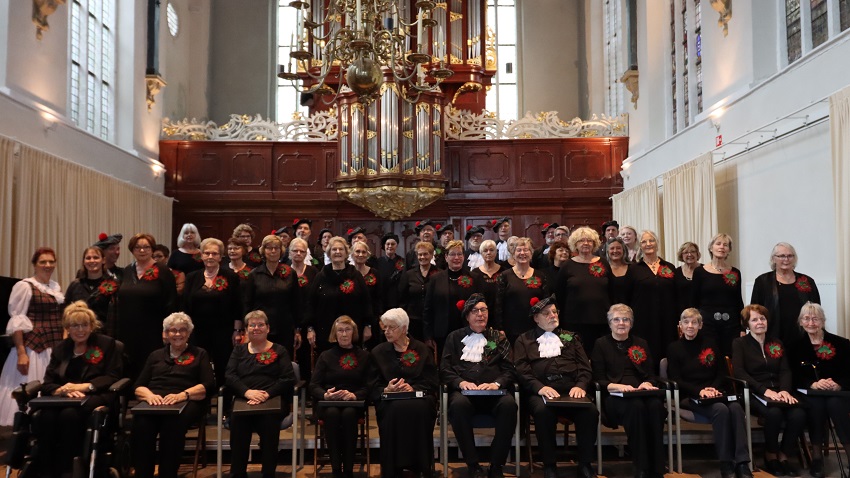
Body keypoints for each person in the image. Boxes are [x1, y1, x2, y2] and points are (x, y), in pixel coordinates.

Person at [34, 301, 123, 477]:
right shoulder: (61, 348)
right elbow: (48, 383)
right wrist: (62, 390)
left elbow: (113, 377)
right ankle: (46, 470)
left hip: (95, 395)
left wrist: (86, 386)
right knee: (45, 416)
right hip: (64, 398)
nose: (80, 330)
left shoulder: (107, 344)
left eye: (84, 325)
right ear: (67, 328)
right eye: (75, 326)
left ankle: (71, 468)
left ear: (92, 326)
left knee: (69, 415)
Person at [514, 295, 599, 478]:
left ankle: (585, 464)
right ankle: (549, 465)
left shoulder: (571, 337)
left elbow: (585, 367)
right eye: (547, 313)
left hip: (571, 389)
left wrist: (581, 385)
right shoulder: (524, 340)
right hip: (542, 391)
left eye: (555, 312)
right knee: (543, 412)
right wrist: (539, 387)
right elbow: (522, 370)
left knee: (590, 411)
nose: (553, 315)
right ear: (536, 318)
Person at [666, 308, 752, 478]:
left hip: (715, 392)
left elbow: (722, 373)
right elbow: (676, 380)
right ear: (680, 325)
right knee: (720, 409)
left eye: (694, 322)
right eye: (686, 322)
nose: (690, 326)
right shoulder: (674, 348)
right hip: (690, 396)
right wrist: (700, 391)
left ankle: (742, 463)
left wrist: (712, 388)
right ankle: (726, 462)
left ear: (700, 325)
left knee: (735, 408)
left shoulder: (710, 343)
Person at [440, 293, 517, 478]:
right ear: (467, 316)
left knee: (509, 405)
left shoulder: (498, 338)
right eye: (475, 311)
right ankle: (473, 464)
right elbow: (444, 369)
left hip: (494, 393)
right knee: (457, 405)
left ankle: (496, 464)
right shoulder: (454, 338)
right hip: (465, 394)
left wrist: (496, 383)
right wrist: (461, 383)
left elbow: (510, 370)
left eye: (484, 310)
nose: (480, 314)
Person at [132, 312, 215, 478]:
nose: (178, 334)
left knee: (172, 425)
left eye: (182, 330)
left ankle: (167, 474)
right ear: (165, 334)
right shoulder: (155, 355)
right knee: (141, 424)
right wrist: (149, 396)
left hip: (187, 400)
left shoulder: (200, 354)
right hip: (155, 401)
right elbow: (138, 386)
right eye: (173, 330)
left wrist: (183, 395)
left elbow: (208, 385)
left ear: (189, 333)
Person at [592, 304, 667, 478]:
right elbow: (598, 380)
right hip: (614, 395)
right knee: (636, 407)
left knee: (656, 406)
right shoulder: (601, 344)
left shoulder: (641, 343)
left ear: (631, 323)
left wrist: (647, 384)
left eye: (625, 319)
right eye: (616, 319)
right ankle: (640, 466)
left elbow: (650, 374)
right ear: (609, 323)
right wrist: (618, 386)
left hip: (640, 392)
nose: (621, 323)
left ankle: (657, 467)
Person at [732, 304, 806, 477]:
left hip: (779, 391)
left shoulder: (776, 342)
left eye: (762, 318)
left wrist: (785, 391)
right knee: (774, 413)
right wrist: (764, 390)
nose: (760, 322)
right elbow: (739, 372)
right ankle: (770, 454)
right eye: (754, 319)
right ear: (746, 324)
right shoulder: (740, 343)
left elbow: (785, 370)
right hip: (754, 391)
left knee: (799, 414)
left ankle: (784, 455)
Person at [226, 310, 296, 478]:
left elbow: (288, 378)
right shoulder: (239, 351)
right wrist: (247, 392)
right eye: (252, 325)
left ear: (268, 328)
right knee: (238, 422)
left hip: (272, 401)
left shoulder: (280, 350)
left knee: (269, 422)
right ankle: (237, 473)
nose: (256, 328)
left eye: (260, 325)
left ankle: (268, 472)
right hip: (245, 400)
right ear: (246, 329)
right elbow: (229, 376)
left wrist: (267, 394)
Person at [371, 308, 439, 478]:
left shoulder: (422, 350)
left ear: (403, 328)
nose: (386, 331)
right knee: (394, 409)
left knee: (420, 408)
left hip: (419, 397)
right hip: (389, 400)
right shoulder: (378, 352)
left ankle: (421, 466)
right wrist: (386, 390)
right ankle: (394, 467)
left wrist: (414, 388)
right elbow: (371, 384)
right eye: (384, 327)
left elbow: (432, 381)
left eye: (391, 327)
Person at [788, 302, 850, 478]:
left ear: (822, 321)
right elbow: (793, 375)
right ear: (800, 322)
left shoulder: (842, 344)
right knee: (816, 405)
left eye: (815, 318)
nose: (811, 322)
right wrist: (812, 384)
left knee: (835, 404)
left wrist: (838, 384)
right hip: (811, 393)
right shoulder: (795, 347)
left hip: (837, 393)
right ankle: (816, 458)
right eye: (806, 318)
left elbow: (848, 373)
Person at [309, 316, 375, 478]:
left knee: (348, 414)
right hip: (328, 402)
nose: (344, 334)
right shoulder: (325, 356)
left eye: (347, 329)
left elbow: (369, 385)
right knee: (331, 414)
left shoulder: (364, 356)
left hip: (354, 402)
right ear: (334, 333)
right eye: (340, 330)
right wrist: (325, 395)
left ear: (354, 332)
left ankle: (348, 469)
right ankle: (336, 468)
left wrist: (354, 395)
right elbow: (313, 385)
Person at [116, 233, 178, 378]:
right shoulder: (126, 271)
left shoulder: (163, 271)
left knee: (149, 367)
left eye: (146, 247)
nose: (142, 250)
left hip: (153, 330)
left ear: (152, 249)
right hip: (128, 330)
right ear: (132, 250)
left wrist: (167, 330)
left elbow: (171, 302)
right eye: (138, 247)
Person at [182, 237, 242, 385]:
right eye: (207, 253)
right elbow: (185, 305)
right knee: (198, 366)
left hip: (223, 330)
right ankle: (201, 402)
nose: (210, 257)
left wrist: (237, 330)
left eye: (214, 253)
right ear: (201, 255)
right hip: (197, 330)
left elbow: (237, 305)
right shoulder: (192, 277)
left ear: (221, 256)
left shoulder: (231, 277)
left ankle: (225, 403)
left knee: (223, 365)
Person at [306, 236, 374, 354]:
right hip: (325, 331)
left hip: (352, 331)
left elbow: (366, 302)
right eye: (334, 249)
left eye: (341, 249)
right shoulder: (321, 276)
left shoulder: (356, 275)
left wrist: (368, 325)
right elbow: (311, 304)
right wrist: (310, 328)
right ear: (328, 253)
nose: (337, 252)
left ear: (346, 253)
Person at [751, 242, 821, 345]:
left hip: (802, 334)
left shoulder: (807, 281)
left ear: (794, 258)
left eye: (790, 256)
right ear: (774, 259)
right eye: (781, 256)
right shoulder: (762, 281)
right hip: (773, 334)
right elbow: (754, 310)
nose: (786, 259)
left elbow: (816, 310)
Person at [556, 227, 612, 353]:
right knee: (576, 353)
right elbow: (560, 294)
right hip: (574, 321)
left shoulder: (603, 263)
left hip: (600, 320)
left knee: (600, 353)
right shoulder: (567, 266)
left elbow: (611, 290)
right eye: (581, 240)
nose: (586, 243)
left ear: (595, 244)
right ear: (575, 244)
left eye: (589, 240)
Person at [242, 234, 300, 356]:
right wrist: (246, 329)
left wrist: (297, 329)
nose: (273, 251)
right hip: (260, 328)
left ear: (281, 251)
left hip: (285, 328)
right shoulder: (254, 274)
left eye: (276, 248)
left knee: (283, 363)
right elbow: (247, 304)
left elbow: (296, 303)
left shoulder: (290, 273)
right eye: (269, 248)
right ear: (263, 251)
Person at [625, 230, 679, 362]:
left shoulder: (670, 267)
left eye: (651, 240)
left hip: (667, 320)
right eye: (644, 241)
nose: (648, 244)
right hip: (643, 320)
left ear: (657, 243)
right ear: (640, 245)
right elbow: (627, 296)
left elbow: (677, 295)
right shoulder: (633, 269)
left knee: (668, 352)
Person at [692, 233, 744, 357]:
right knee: (709, 356)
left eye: (725, 245)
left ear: (729, 250)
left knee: (731, 357)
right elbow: (694, 300)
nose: (722, 247)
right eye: (718, 244)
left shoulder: (735, 272)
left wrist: (743, 328)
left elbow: (738, 301)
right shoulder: (699, 272)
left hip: (731, 325)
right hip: (707, 324)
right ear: (711, 248)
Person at [424, 240, 476, 358]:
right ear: (446, 257)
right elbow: (428, 309)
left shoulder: (473, 278)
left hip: (467, 331)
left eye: (459, 254)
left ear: (464, 257)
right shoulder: (435, 279)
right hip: (442, 332)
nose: (456, 257)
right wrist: (428, 336)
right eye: (452, 254)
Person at [495, 237, 551, 345]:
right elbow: (498, 305)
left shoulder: (540, 275)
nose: (522, 253)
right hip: (510, 328)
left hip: (535, 327)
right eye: (519, 250)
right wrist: (499, 328)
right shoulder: (504, 276)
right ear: (513, 253)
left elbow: (546, 302)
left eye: (526, 250)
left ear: (531, 253)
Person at [64, 246, 119, 336]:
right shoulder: (75, 285)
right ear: (84, 262)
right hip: (78, 335)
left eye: (96, 257)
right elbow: (65, 312)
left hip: (105, 335)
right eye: (88, 258)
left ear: (103, 260)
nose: (92, 261)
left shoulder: (113, 284)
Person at [397, 241, 439, 341]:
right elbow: (402, 299)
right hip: (413, 320)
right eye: (420, 254)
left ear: (432, 255)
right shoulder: (409, 274)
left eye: (425, 254)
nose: (422, 257)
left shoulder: (439, 273)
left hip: (434, 320)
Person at [470, 239, 507, 313]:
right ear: (481, 253)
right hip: (481, 313)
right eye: (485, 250)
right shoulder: (474, 273)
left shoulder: (504, 272)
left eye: (491, 250)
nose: (488, 253)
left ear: (496, 252)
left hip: (502, 312)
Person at [352, 240, 382, 319]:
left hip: (371, 316)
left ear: (367, 255)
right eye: (357, 251)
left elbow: (379, 297)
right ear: (352, 254)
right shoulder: (347, 273)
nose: (361, 254)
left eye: (364, 252)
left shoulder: (374, 273)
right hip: (352, 316)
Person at [377, 232, 405, 311]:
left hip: (398, 303)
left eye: (393, 244)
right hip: (382, 304)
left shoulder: (403, 262)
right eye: (387, 244)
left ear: (397, 246)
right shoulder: (377, 262)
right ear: (384, 246)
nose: (390, 246)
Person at [673, 241, 701, 313]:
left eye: (693, 251)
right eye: (686, 252)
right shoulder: (676, 272)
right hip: (682, 314)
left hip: (701, 313)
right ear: (681, 255)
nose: (689, 254)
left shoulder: (704, 270)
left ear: (697, 254)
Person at [606, 237, 630, 304]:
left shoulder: (633, 268)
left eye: (618, 248)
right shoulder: (603, 269)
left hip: (630, 310)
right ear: (607, 251)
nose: (615, 251)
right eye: (612, 248)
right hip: (609, 311)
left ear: (623, 250)